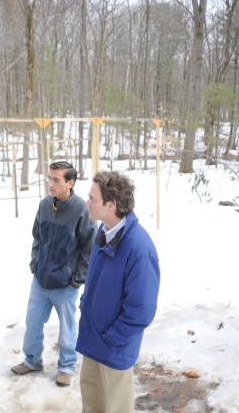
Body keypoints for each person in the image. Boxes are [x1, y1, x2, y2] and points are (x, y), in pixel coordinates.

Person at [76, 170, 160, 413]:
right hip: (94, 339)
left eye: (92, 198)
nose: (87, 203)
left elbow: (141, 311)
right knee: (91, 404)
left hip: (114, 346)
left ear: (111, 205)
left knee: (115, 408)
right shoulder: (104, 232)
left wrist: (112, 337)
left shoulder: (138, 247)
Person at [11, 161, 97, 387]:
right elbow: (37, 237)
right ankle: (32, 361)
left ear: (70, 182)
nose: (51, 184)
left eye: (56, 180)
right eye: (49, 178)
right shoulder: (45, 205)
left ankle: (66, 366)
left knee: (67, 328)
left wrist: (76, 279)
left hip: (65, 284)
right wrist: (34, 264)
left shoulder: (81, 210)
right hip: (41, 281)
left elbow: (90, 249)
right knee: (33, 323)